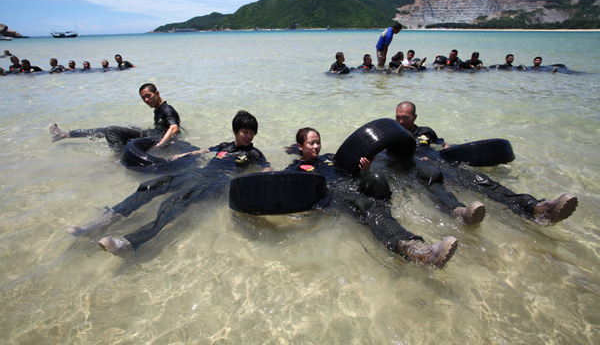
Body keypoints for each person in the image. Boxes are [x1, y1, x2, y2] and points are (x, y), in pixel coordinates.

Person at [67, 110, 271, 254]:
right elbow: (205, 151)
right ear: (236, 131)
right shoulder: (224, 145)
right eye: (245, 132)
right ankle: (103, 223)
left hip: (217, 182)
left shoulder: (253, 153)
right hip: (200, 173)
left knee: (172, 203)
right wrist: (182, 156)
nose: (249, 136)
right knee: (150, 186)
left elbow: (266, 168)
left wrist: (267, 179)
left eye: (252, 132)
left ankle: (129, 243)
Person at [286, 127, 458, 268]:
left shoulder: (331, 158)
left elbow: (355, 175)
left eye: (318, 142)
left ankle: (385, 223)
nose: (316, 146)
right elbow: (288, 189)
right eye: (311, 143)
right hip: (337, 194)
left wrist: (365, 169)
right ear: (300, 146)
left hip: (352, 185)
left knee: (378, 179)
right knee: (367, 203)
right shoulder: (295, 168)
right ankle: (414, 249)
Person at [394, 101, 578, 225]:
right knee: (438, 188)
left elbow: (442, 145)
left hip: (443, 164)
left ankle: (536, 207)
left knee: (481, 181)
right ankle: (462, 214)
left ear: (415, 117)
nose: (401, 121)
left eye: (406, 118)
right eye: (398, 117)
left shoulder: (426, 131)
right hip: (420, 169)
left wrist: (450, 148)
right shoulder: (391, 134)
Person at [49, 83, 180, 152]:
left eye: (148, 96)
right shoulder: (158, 109)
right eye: (143, 98)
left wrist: (159, 145)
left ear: (157, 93)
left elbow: (174, 128)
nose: (146, 100)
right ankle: (66, 135)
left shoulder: (167, 109)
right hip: (150, 134)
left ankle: (120, 155)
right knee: (108, 130)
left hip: (153, 138)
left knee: (111, 130)